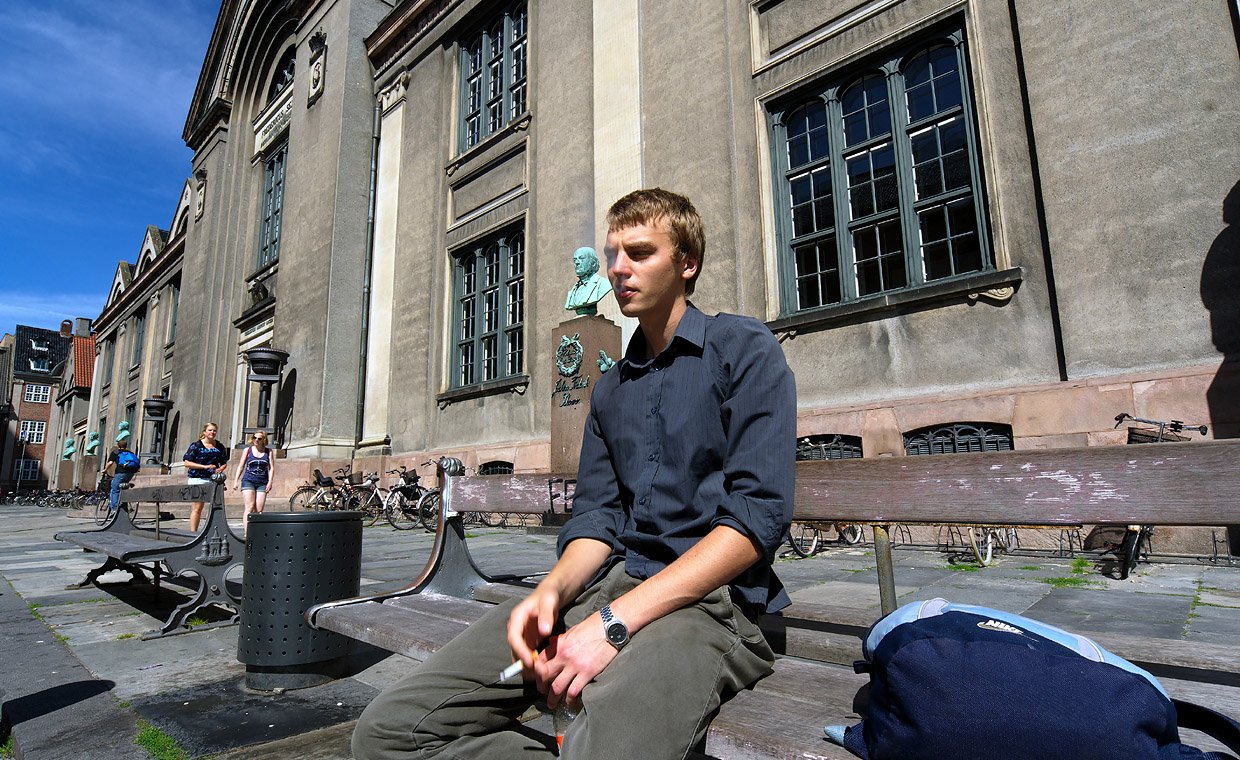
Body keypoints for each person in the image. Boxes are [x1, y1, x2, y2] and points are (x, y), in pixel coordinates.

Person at [352, 188, 796, 760]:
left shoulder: (741, 348)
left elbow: (756, 519)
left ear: (687, 264)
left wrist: (612, 626)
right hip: (605, 590)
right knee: (389, 733)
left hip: (709, 607)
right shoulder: (611, 389)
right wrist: (549, 593)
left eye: (640, 253)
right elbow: (597, 519)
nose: (618, 268)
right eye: (613, 254)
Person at [183, 422, 229, 532]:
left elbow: (224, 462)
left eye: (214, 430)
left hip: (213, 479)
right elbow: (187, 463)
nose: (212, 432)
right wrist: (204, 466)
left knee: (213, 507)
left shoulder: (219, 446)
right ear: (204, 432)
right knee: (197, 508)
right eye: (210, 430)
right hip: (197, 478)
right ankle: (194, 532)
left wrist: (220, 469)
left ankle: (208, 531)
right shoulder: (196, 446)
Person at [233, 431, 275, 534]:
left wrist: (270, 482)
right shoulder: (248, 450)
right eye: (254, 438)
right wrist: (236, 480)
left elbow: (271, 468)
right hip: (248, 480)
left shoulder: (268, 451)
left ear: (263, 440)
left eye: (259, 438)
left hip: (262, 482)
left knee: (259, 509)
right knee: (249, 506)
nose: (256, 440)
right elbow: (241, 466)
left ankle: (256, 532)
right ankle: (247, 532)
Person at [564, 246, 613, 315]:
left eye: (581, 258)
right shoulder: (574, 289)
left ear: (593, 263)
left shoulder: (603, 284)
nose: (577, 262)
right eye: (575, 260)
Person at [104, 431, 140, 515]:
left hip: (120, 473)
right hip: (130, 473)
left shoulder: (116, 452)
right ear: (126, 446)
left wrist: (105, 470)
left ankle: (114, 509)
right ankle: (125, 505)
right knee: (123, 487)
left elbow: (110, 463)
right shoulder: (131, 453)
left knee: (115, 489)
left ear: (118, 446)